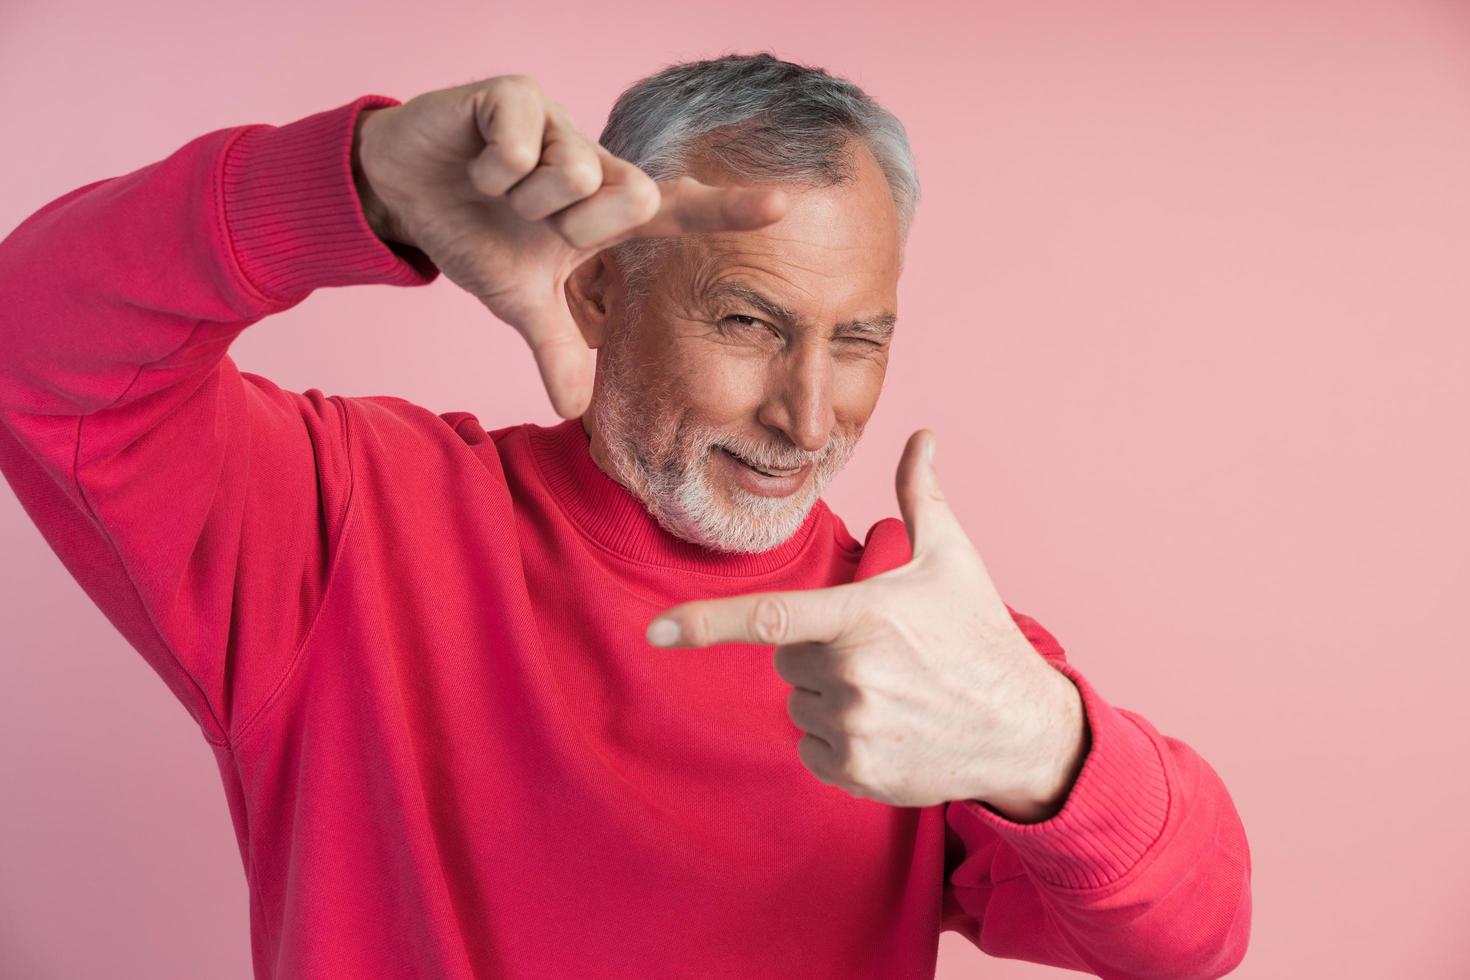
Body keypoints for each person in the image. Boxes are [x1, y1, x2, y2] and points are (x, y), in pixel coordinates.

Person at [0, 52, 1250, 979]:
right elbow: (38, 341)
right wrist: (358, 182)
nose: (811, 420)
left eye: (858, 340)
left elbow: (1196, 929)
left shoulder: (907, 647)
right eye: (750, 323)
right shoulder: (345, 520)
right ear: (600, 291)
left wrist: (1044, 745)